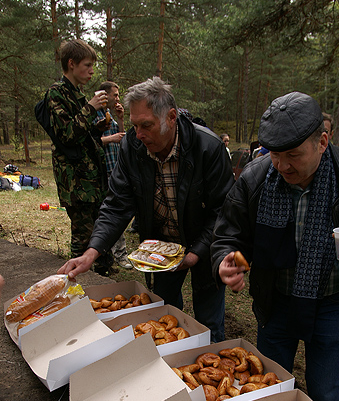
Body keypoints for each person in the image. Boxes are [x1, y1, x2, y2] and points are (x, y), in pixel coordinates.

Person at [211, 91, 339, 401]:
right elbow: (230, 235)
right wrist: (227, 259)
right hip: (274, 302)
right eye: (275, 155)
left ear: (323, 141)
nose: (282, 166)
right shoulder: (255, 179)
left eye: (293, 155)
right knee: (266, 388)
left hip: (330, 303)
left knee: (326, 396)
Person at [58, 76, 235, 342]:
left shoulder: (208, 147)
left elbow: (223, 211)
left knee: (209, 320)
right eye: (135, 125)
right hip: (159, 250)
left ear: (171, 117)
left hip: (205, 243)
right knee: (161, 315)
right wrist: (92, 252)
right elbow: (117, 203)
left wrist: (195, 254)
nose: (139, 134)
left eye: (147, 126)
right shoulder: (132, 146)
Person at [45, 39, 112, 276]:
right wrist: (91, 108)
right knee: (83, 237)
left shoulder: (78, 94)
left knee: (101, 230)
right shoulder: (56, 93)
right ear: (71, 64)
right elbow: (66, 135)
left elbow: (84, 136)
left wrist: (100, 127)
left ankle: (103, 278)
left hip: (93, 178)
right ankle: (77, 281)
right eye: (87, 65)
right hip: (76, 183)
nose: (92, 71)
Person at [95, 80, 132, 269]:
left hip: (116, 168)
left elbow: (122, 138)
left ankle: (116, 255)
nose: (117, 98)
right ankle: (113, 256)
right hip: (103, 172)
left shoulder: (110, 115)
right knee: (111, 212)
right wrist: (110, 139)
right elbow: (90, 141)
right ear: (105, 95)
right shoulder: (94, 114)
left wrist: (121, 119)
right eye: (115, 95)